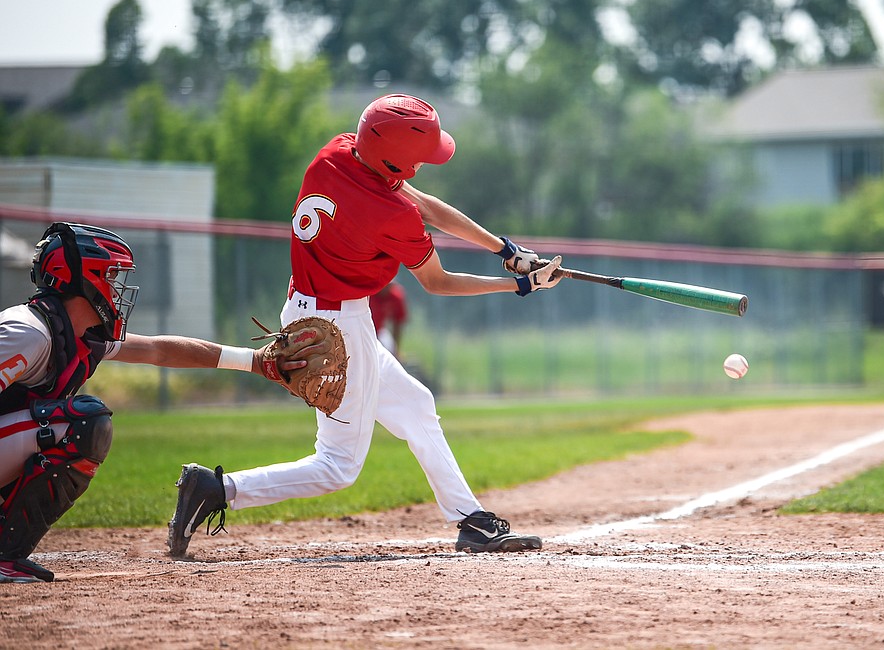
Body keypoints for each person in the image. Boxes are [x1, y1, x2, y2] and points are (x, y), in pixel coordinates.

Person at [168, 93, 563, 558]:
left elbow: (428, 207)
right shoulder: (389, 214)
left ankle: (469, 519)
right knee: (337, 466)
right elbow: (438, 282)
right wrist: (515, 287)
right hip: (338, 328)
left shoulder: (337, 152)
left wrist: (505, 250)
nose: (425, 165)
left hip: (311, 312)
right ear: (398, 163)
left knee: (416, 406)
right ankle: (217, 488)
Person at [0, 222, 308, 584]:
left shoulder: (74, 333)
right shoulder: (27, 332)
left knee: (79, 423)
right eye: (112, 276)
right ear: (84, 278)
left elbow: (159, 350)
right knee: (83, 424)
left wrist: (255, 362)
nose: (118, 289)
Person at [370, 281, 408, 357]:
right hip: (365, 330)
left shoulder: (395, 296)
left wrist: (396, 349)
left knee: (389, 351)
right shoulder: (369, 293)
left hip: (380, 332)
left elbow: (398, 323)